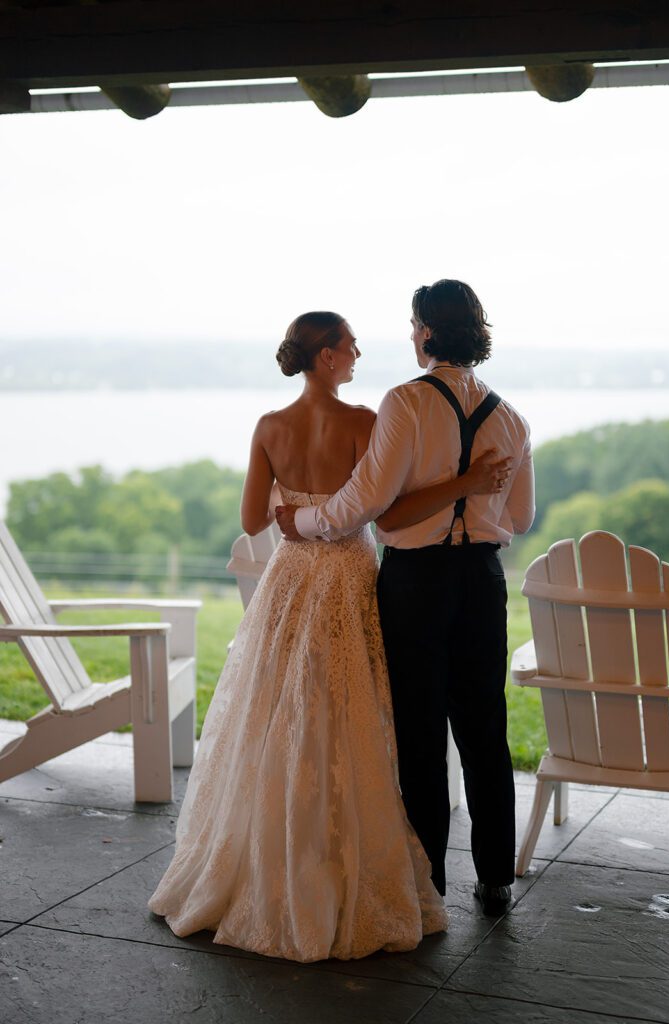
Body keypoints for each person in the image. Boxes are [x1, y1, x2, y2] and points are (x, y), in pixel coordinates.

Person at [148, 310, 511, 962]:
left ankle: (272, 850)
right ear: (324, 357)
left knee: (280, 707)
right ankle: (372, 857)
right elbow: (375, 503)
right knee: (348, 707)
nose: (358, 352)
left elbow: (256, 516)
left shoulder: (269, 427)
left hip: (290, 580)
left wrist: (296, 510)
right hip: (347, 573)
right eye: (347, 345)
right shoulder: (365, 422)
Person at [277, 281, 535, 916]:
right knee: (484, 729)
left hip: (416, 581)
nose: (409, 334)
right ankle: (496, 877)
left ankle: (428, 883)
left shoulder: (405, 404)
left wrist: (303, 524)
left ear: (426, 331)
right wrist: (473, 495)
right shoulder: (511, 417)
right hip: (482, 580)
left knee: (419, 732)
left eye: (412, 323)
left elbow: (366, 502)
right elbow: (522, 516)